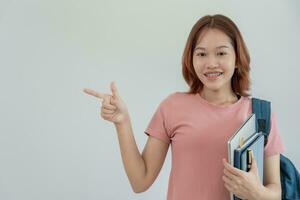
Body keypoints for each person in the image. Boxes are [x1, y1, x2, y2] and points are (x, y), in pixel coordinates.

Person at [83, 14, 285, 200]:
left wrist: (257, 193)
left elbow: (275, 190)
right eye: (201, 54)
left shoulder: (259, 115)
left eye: (221, 53)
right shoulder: (172, 106)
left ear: (237, 59)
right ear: (191, 59)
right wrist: (122, 122)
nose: (211, 63)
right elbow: (140, 181)